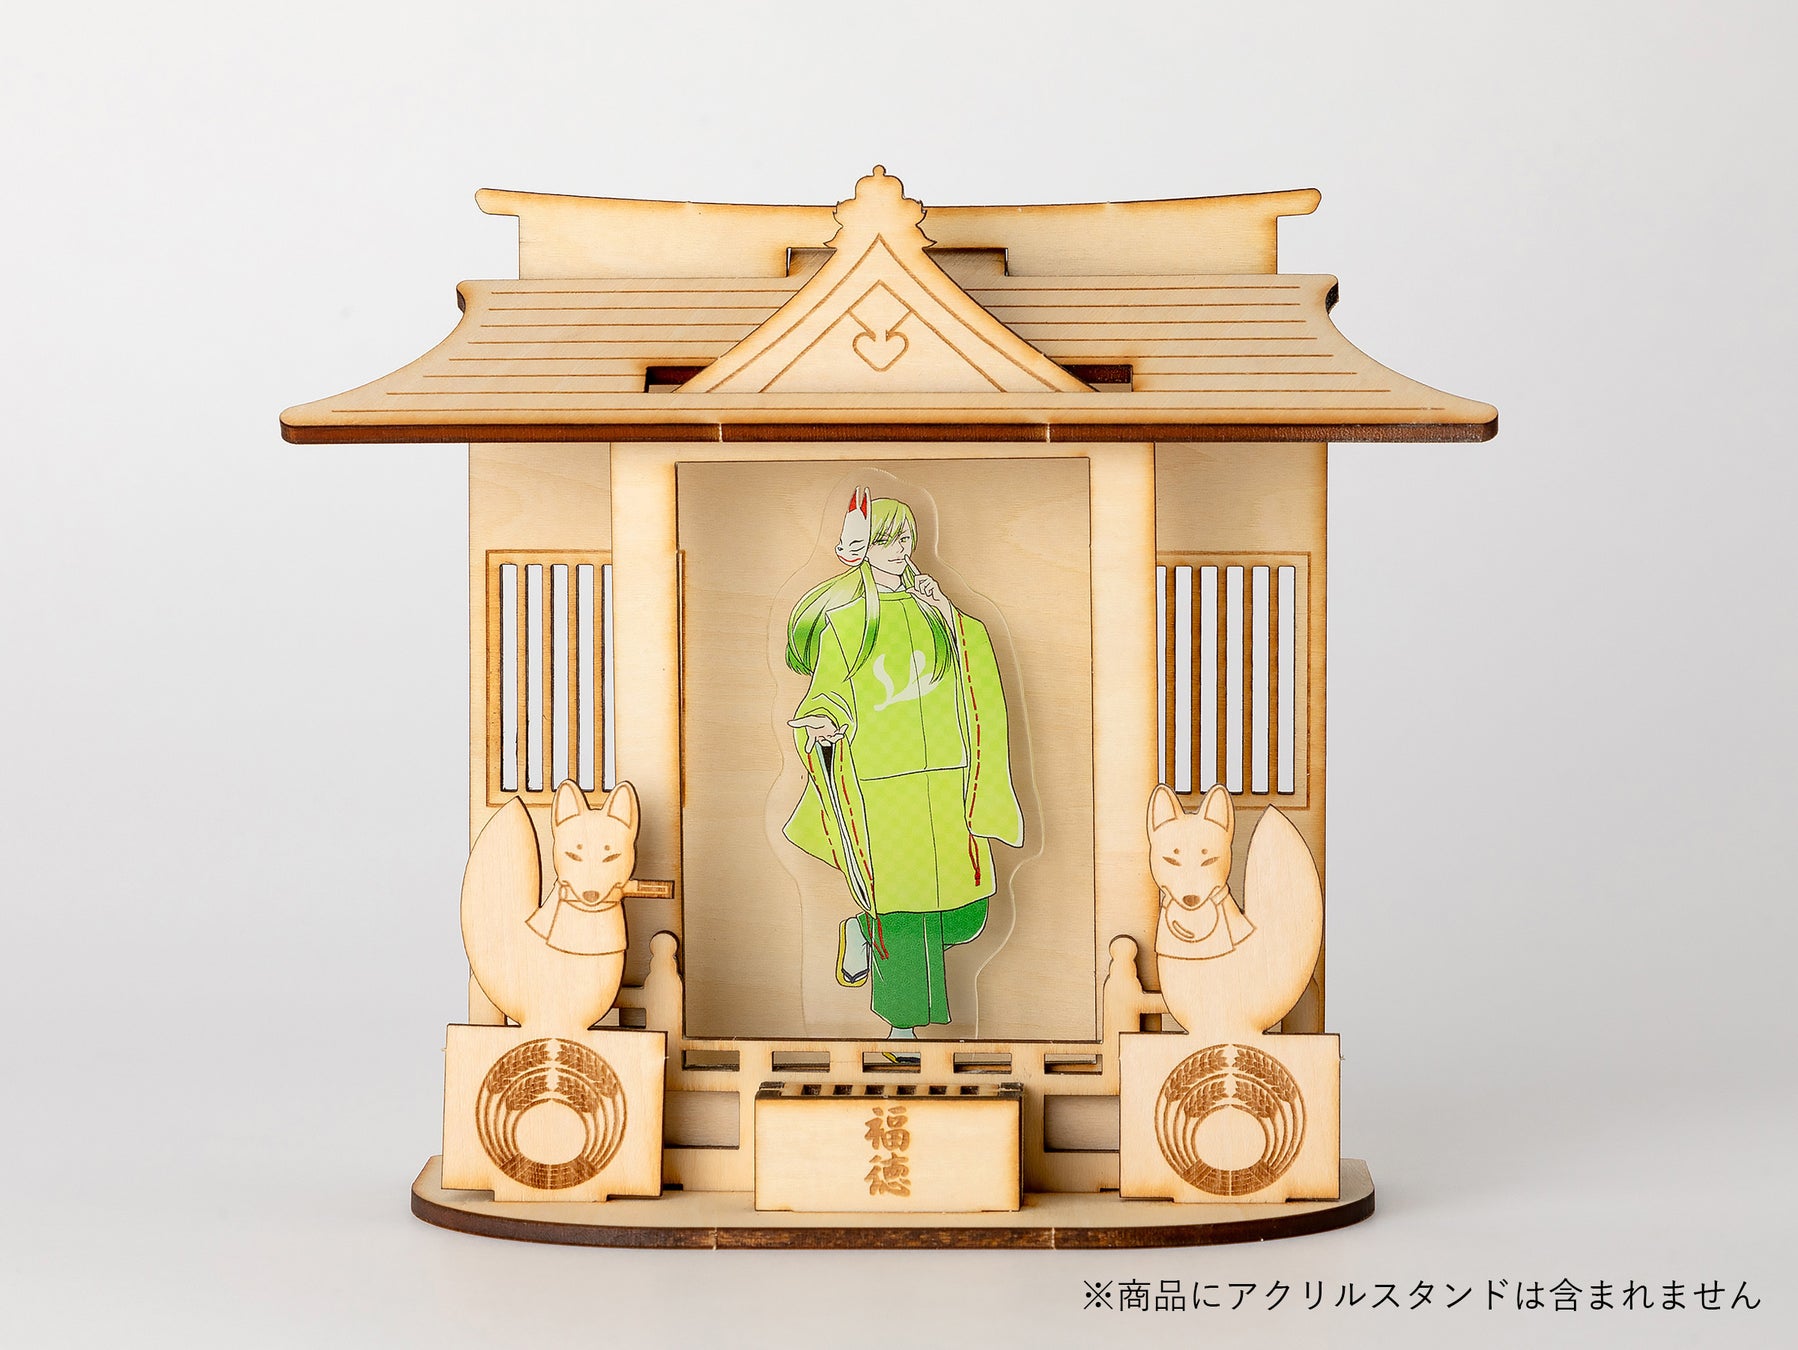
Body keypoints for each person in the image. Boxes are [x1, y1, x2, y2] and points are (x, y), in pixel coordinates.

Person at [783, 490, 1023, 1038]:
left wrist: (948, 617)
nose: (899, 548)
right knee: (903, 912)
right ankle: (902, 1032)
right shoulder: (845, 624)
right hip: (882, 783)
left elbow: (975, 672)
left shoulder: (934, 610)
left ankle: (864, 933)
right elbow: (828, 693)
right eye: (886, 540)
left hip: (947, 778)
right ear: (863, 548)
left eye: (905, 537)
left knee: (966, 911)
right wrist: (824, 722)